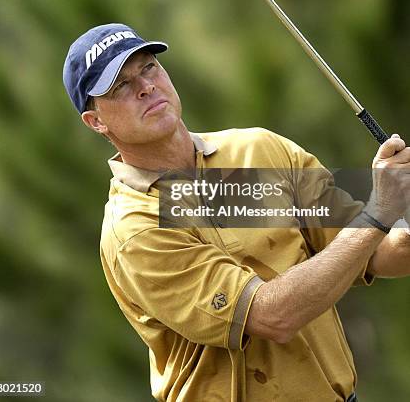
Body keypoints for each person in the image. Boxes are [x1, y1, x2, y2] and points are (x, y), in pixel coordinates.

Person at [63, 22, 410, 402]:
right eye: (120, 87)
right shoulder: (134, 228)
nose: (145, 86)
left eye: (148, 67)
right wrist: (378, 212)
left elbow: (376, 253)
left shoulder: (258, 151)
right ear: (96, 122)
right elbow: (273, 317)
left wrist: (400, 223)